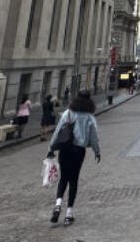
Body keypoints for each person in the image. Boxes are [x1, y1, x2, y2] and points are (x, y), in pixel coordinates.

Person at [45, 89, 100, 226]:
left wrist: (51, 148)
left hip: (65, 149)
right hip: (78, 150)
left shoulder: (68, 113)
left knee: (63, 178)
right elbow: (94, 137)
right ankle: (69, 214)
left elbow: (58, 131)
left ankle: (58, 205)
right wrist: (97, 151)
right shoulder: (89, 117)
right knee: (73, 180)